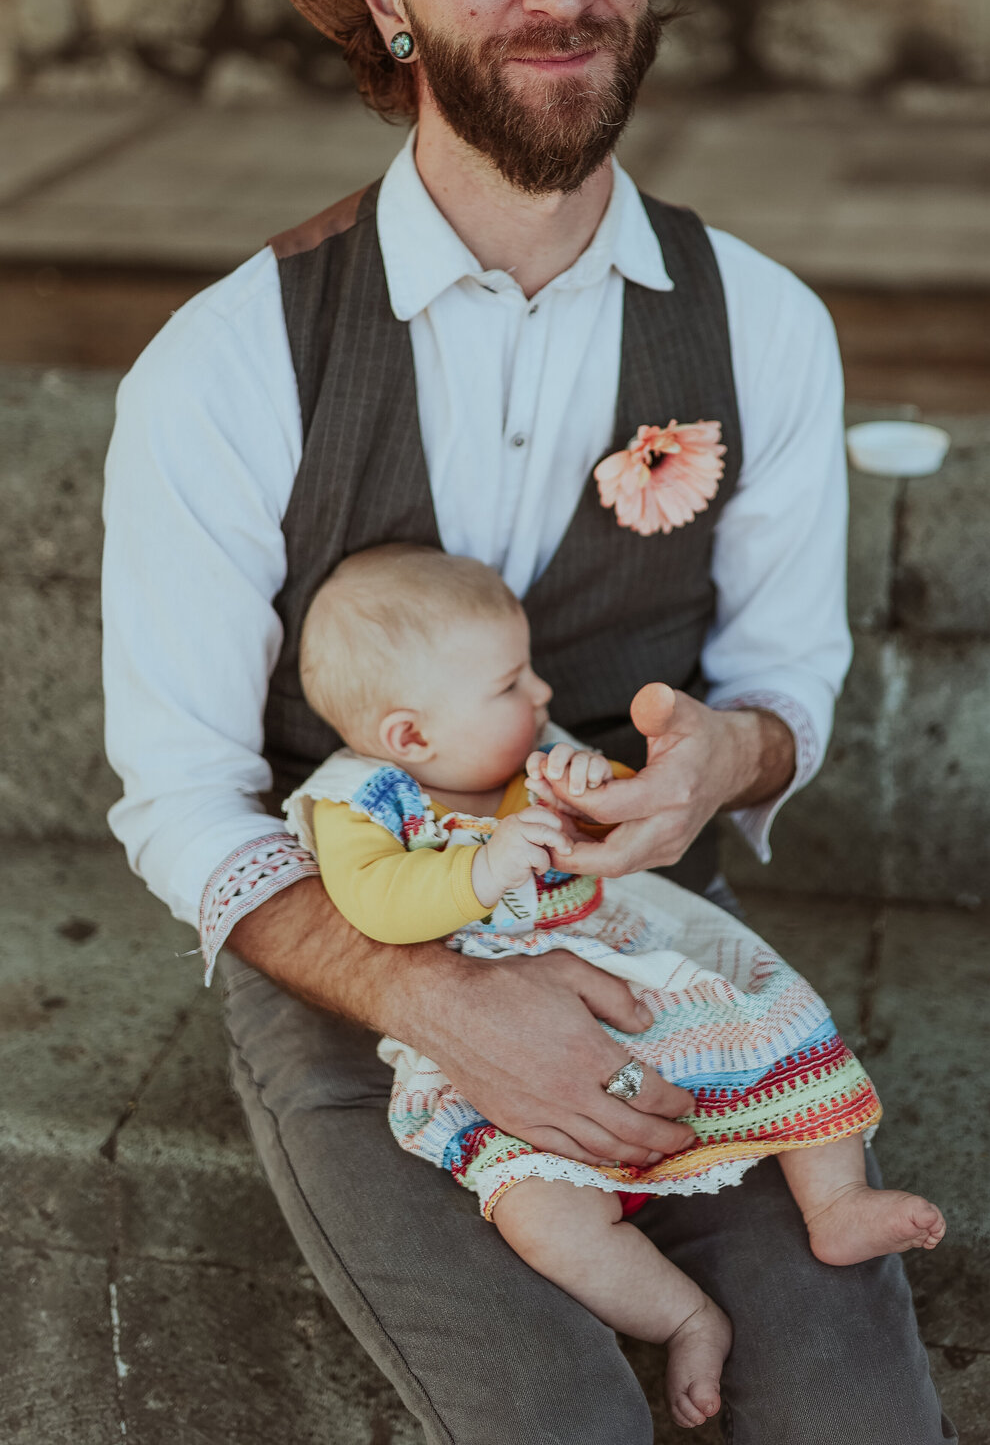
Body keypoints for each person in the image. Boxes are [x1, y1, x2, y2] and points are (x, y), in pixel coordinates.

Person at [102, 0, 955, 1443]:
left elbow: (788, 682)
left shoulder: (766, 328)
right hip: (349, 970)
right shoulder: (230, 357)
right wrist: (431, 995)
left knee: (854, 1411)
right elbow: (181, 793)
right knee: (552, 1420)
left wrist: (735, 752)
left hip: (649, 944)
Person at [286, 543, 946, 1428]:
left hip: (624, 967)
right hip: (479, 1024)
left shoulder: (530, 765)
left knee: (775, 1029)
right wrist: (481, 872)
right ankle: (683, 1316)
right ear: (412, 736)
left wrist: (602, 788)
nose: (543, 696)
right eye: (512, 683)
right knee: (541, 1217)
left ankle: (836, 1200)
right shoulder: (358, 804)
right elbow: (376, 904)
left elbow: (621, 812)